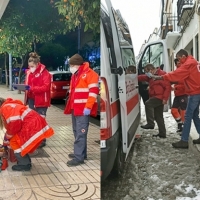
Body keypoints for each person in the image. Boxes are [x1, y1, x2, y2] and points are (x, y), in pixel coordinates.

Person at [153, 49, 200, 148]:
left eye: (179, 58)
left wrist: (161, 77)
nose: (179, 61)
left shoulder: (188, 64)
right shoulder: (193, 62)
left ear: (183, 56)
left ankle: (184, 141)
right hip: (196, 91)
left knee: (187, 116)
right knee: (195, 116)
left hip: (194, 93)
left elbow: (176, 74)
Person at [64, 54, 99, 166]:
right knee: (76, 131)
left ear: (78, 64)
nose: (71, 67)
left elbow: (93, 93)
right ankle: (81, 153)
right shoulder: (76, 75)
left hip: (84, 109)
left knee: (81, 133)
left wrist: (88, 107)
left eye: (72, 65)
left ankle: (79, 158)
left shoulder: (91, 74)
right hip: (75, 108)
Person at [0, 98, 54, 171]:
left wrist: (8, 136)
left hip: (32, 125)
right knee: (17, 141)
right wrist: (8, 136)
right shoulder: (9, 105)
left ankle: (24, 164)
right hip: (34, 123)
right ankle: (26, 161)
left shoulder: (5, 108)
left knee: (15, 142)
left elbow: (14, 124)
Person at [24, 52, 52, 148]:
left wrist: (32, 88)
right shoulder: (29, 72)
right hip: (31, 100)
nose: (30, 67)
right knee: (34, 121)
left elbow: (46, 87)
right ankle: (36, 139)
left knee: (41, 120)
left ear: (37, 64)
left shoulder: (45, 73)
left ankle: (42, 140)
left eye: (32, 66)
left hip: (41, 101)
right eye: (29, 66)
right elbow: (28, 85)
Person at [138, 63, 171, 138]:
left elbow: (167, 87)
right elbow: (142, 77)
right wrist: (132, 77)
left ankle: (150, 123)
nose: (146, 73)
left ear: (151, 70)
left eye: (147, 71)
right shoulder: (150, 76)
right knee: (158, 116)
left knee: (148, 104)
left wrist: (165, 98)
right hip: (155, 96)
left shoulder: (162, 74)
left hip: (159, 97)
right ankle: (162, 133)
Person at [171, 58, 188, 133]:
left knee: (183, 111)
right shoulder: (176, 72)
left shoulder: (185, 72)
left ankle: (184, 127)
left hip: (183, 94)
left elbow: (186, 85)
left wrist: (176, 87)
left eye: (180, 63)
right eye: (177, 63)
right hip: (177, 94)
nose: (179, 64)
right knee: (173, 110)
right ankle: (180, 124)